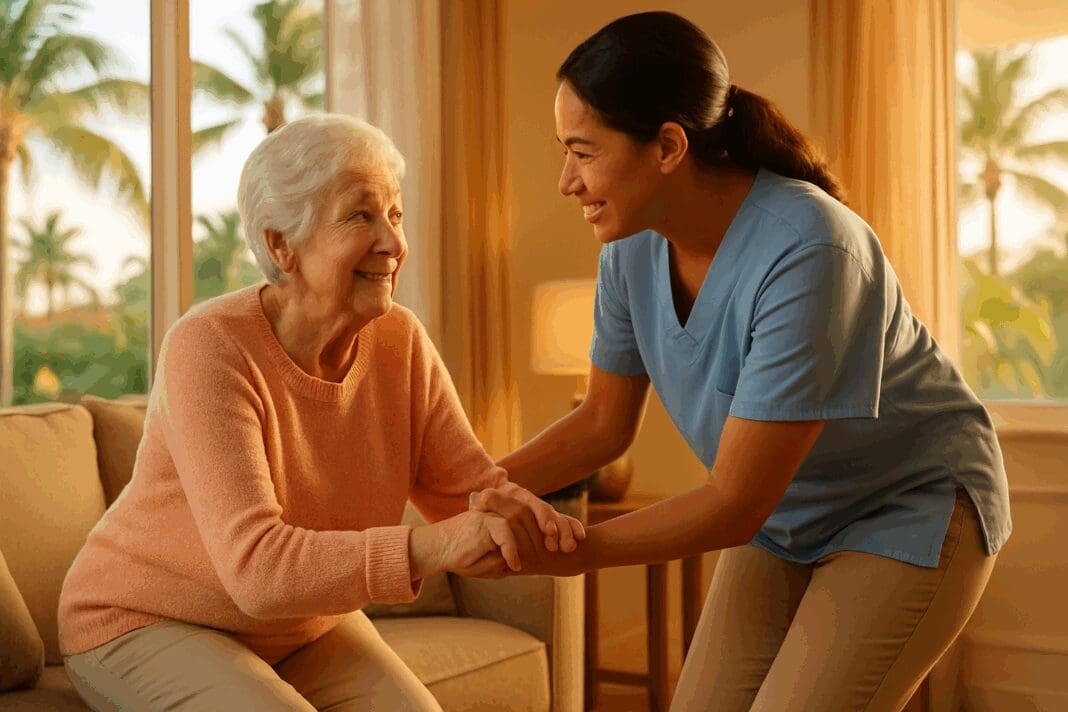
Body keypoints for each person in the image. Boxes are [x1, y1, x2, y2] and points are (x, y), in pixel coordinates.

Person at [469, 11, 1012, 712]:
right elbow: (603, 425)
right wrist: (469, 491)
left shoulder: (811, 248)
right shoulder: (629, 250)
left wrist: (566, 552)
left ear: (668, 145)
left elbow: (732, 503)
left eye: (584, 151)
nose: (566, 181)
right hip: (783, 517)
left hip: (907, 504)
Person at [57, 114, 584, 711]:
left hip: (301, 625)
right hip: (144, 620)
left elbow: (468, 492)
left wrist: (536, 526)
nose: (392, 243)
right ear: (283, 244)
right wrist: (430, 548)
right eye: (361, 215)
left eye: (395, 213)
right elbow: (257, 570)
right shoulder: (209, 346)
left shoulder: (399, 341)